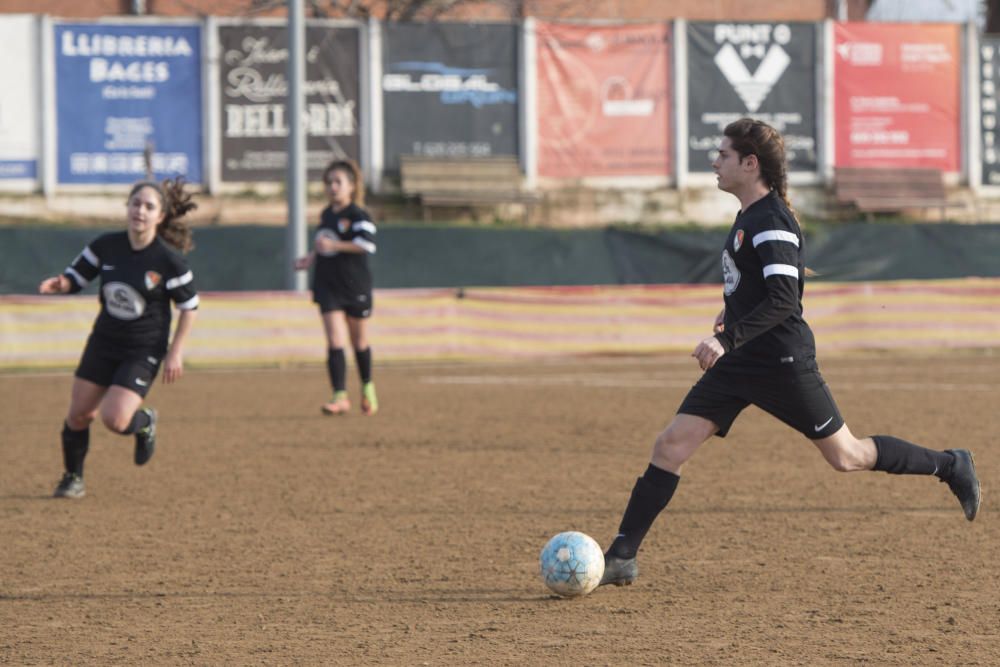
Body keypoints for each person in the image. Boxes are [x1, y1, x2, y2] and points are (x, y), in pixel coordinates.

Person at [599, 118, 981, 587]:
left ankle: (951, 464)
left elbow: (783, 300)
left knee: (847, 456)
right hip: (740, 362)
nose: (714, 162)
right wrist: (729, 321)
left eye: (722, 155)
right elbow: (757, 290)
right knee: (670, 445)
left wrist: (725, 337)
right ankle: (621, 555)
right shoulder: (748, 216)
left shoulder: (771, 220)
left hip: (781, 362)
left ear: (749, 163)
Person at [38, 178, 200, 499]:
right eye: (136, 203)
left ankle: (144, 423)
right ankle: (73, 478)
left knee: (115, 418)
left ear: (160, 217)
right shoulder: (106, 246)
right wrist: (62, 284)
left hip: (143, 348)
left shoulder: (168, 262)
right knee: (79, 414)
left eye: (149, 206)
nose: (140, 210)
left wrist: (176, 352)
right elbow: (76, 276)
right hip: (104, 342)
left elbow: (189, 307)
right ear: (127, 207)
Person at [294, 158, 379, 416]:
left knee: (359, 341)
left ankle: (367, 387)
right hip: (327, 283)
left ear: (351, 186)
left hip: (354, 284)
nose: (333, 187)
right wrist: (310, 258)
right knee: (334, 340)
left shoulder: (358, 215)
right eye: (329, 182)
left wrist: (336, 246)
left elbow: (367, 245)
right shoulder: (326, 215)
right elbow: (323, 242)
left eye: (338, 182)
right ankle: (340, 395)